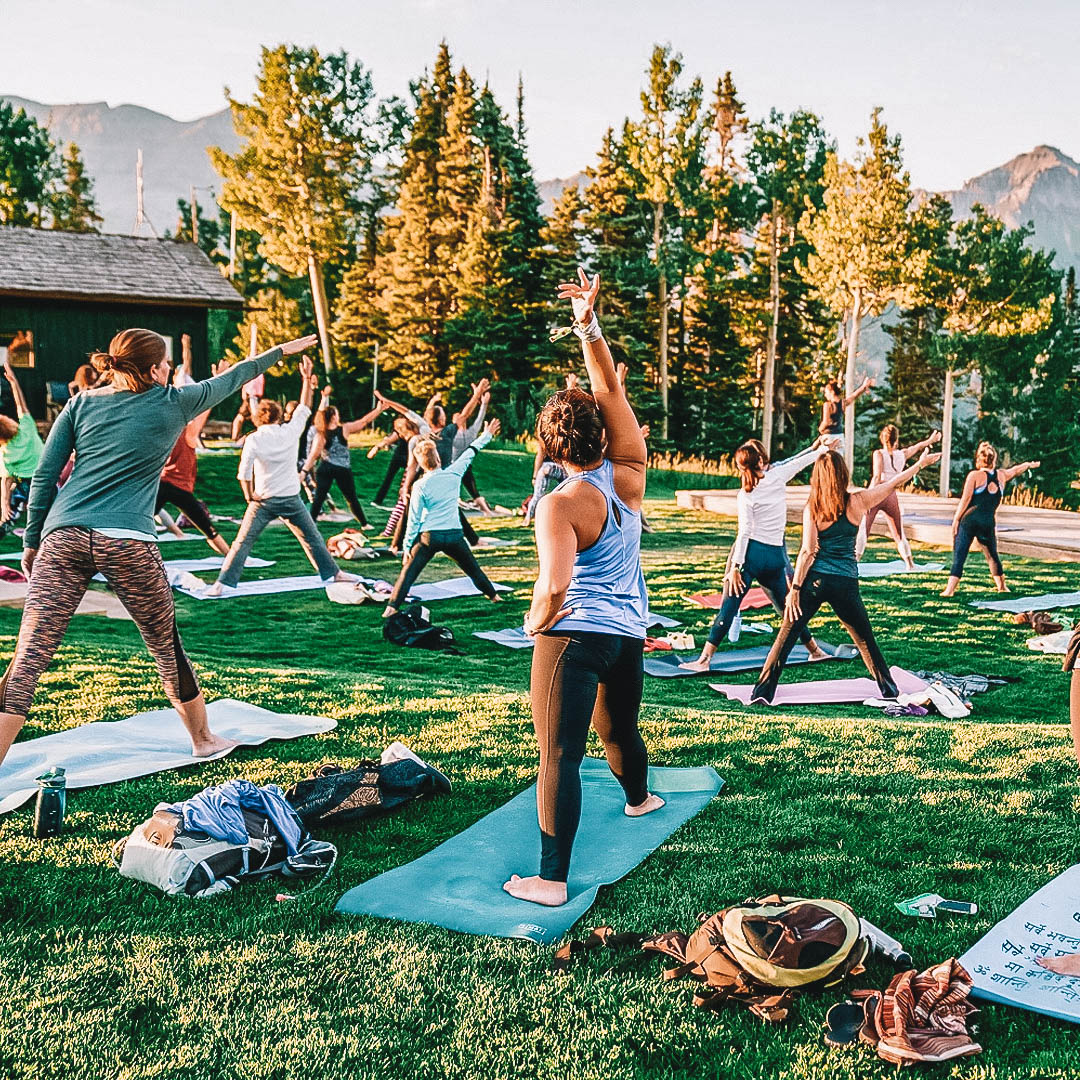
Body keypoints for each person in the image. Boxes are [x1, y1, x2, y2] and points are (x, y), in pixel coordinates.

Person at [0, 327, 317, 768]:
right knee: (165, 646)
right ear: (153, 369)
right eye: (166, 362)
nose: (170, 369)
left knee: (30, 654)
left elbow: (43, 477)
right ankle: (203, 738)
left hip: (63, 536)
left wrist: (33, 541)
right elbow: (238, 376)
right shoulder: (174, 402)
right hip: (127, 540)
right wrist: (281, 350)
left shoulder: (79, 404)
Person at [504, 268, 664, 909]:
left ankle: (549, 879)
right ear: (602, 433)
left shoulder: (560, 502)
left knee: (558, 757)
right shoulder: (628, 475)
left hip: (573, 636)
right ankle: (639, 799)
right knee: (619, 727)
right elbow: (611, 394)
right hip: (626, 635)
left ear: (548, 446)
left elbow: (555, 585)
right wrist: (588, 326)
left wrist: (533, 622)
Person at [749, 446, 941, 705]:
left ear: (819, 476)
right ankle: (889, 691)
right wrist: (920, 464)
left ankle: (762, 692)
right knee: (864, 640)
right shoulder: (858, 500)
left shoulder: (813, 507)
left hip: (815, 581)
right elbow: (895, 481)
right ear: (842, 474)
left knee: (787, 633)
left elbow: (807, 552)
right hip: (845, 583)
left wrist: (795, 590)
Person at [679, 436, 835, 673]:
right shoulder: (776, 477)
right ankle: (815, 651)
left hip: (751, 556)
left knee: (729, 607)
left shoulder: (746, 494)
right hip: (774, 558)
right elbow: (799, 463)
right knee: (788, 607)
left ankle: (704, 661)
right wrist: (823, 449)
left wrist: (734, 567)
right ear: (761, 461)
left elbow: (744, 533)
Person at [206, 358, 356, 596]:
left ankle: (221, 584)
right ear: (278, 416)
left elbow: (243, 473)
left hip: (263, 500)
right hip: (290, 498)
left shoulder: (253, 438)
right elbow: (305, 408)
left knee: (242, 544)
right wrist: (306, 379)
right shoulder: (289, 431)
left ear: (258, 418)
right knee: (313, 539)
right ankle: (335, 574)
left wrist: (248, 497)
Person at [382, 419, 503, 617]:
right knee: (473, 568)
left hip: (429, 537)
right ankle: (494, 596)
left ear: (421, 464)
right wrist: (487, 434)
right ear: (438, 458)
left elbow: (413, 519)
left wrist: (406, 547)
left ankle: (391, 607)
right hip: (454, 535)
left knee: (409, 572)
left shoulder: (419, 486)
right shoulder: (454, 473)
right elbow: (472, 450)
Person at [941, 443, 1039, 597]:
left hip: (969, 521)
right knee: (992, 555)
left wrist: (956, 520)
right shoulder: (1001, 475)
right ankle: (1002, 587)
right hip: (987, 522)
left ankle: (949, 590)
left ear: (979, 460)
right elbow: (1015, 470)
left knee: (960, 555)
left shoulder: (974, 476)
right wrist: (1028, 465)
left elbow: (965, 500)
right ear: (994, 460)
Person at [155, 385, 230, 555]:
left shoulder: (164, 430)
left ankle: (107, 556)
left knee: (134, 525)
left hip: (162, 483)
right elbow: (206, 410)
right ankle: (233, 557)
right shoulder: (186, 433)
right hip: (178, 487)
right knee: (207, 528)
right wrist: (219, 382)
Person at [300, 387, 385, 526]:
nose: (338, 416)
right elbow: (363, 422)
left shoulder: (321, 434)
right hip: (342, 469)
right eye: (337, 414)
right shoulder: (343, 429)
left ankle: (310, 524)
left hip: (326, 468)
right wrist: (378, 410)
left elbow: (313, 456)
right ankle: (364, 524)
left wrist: (304, 471)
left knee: (319, 498)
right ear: (333, 416)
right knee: (350, 498)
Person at [865, 425, 942, 569]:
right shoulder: (902, 454)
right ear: (896, 440)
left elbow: (876, 476)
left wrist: (867, 495)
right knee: (898, 533)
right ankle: (910, 564)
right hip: (891, 493)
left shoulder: (879, 454)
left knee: (864, 529)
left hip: (878, 491)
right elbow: (917, 446)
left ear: (882, 439)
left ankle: (854, 560)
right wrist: (930, 440)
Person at [0, 359, 44, 531]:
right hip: (45, 478)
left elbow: (6, 481)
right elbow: (21, 404)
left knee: (11, 513)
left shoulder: (5, 452)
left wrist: (4, 506)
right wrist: (14, 382)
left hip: (24, 483)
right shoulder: (27, 427)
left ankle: (7, 521)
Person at [368, 417, 416, 507]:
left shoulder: (401, 431)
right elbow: (388, 440)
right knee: (408, 479)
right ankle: (405, 501)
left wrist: (377, 448)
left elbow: (388, 440)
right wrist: (377, 447)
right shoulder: (413, 431)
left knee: (389, 478)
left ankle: (378, 500)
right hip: (406, 458)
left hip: (400, 457)